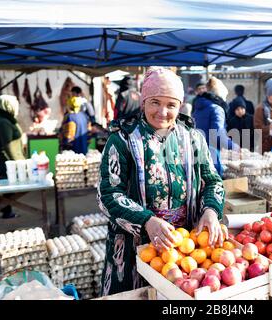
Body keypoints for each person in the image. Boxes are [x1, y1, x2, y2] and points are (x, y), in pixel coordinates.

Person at [97, 67, 226, 296]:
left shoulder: (193, 139)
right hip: (132, 250)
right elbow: (108, 195)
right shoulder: (122, 140)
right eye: (155, 102)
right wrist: (146, 221)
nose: (162, 112)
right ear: (144, 100)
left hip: (183, 252)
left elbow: (213, 181)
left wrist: (211, 211)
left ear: (180, 106)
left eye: (171, 105)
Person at [192, 76, 237, 175]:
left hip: (197, 155)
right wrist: (235, 147)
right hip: (211, 157)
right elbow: (218, 135)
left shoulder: (198, 107)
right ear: (219, 96)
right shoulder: (216, 109)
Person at [0, 95, 25, 218]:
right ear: (8, 105)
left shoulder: (6, 119)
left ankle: (5, 209)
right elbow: (8, 146)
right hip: (5, 160)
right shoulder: (3, 122)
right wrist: (19, 163)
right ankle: (6, 210)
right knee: (8, 188)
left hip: (8, 159)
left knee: (9, 190)